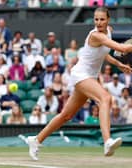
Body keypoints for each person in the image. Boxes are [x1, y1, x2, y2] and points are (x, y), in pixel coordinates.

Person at [27, 7, 132, 160]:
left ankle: (36, 140)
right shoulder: (96, 35)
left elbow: (103, 53)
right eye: (96, 19)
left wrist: (119, 64)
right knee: (106, 98)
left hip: (89, 77)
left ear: (108, 20)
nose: (99, 22)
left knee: (66, 115)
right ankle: (107, 141)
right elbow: (122, 48)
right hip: (81, 75)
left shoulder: (108, 31)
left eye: (102, 19)